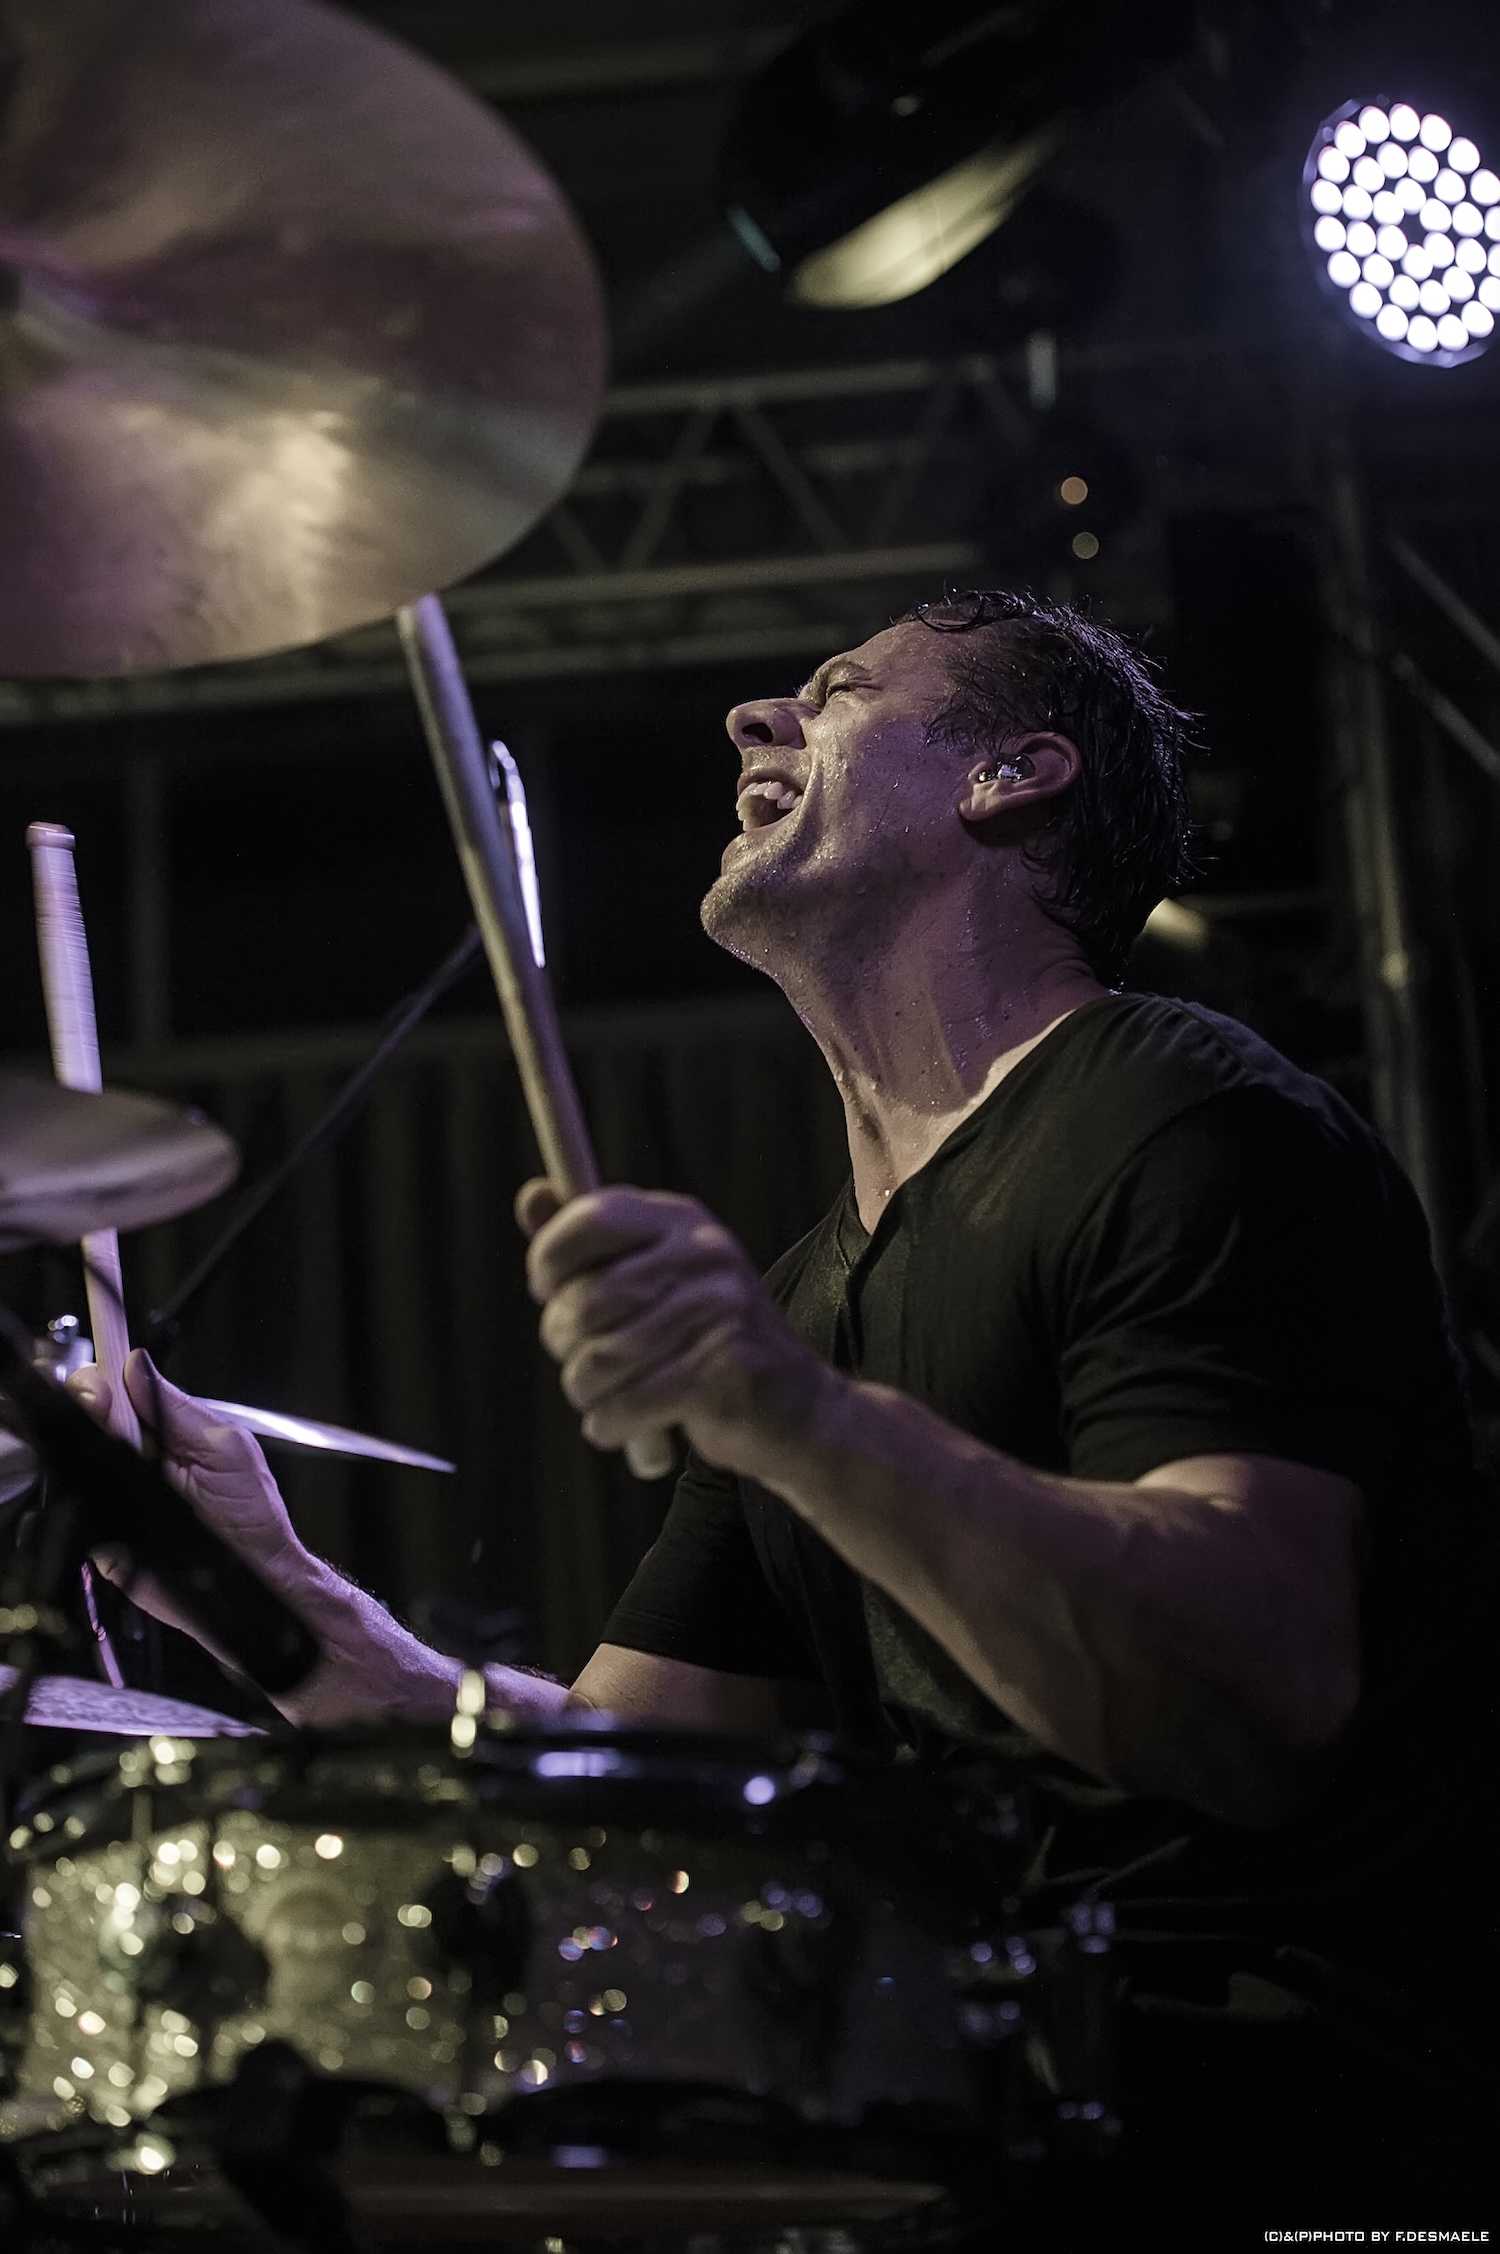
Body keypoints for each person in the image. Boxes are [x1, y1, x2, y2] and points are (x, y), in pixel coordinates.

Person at [79, 590, 1493, 2241]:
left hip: (1289, 2143)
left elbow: (1256, 1688)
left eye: (834, 693)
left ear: (1012, 777)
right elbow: (606, 1792)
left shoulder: (1185, 1114)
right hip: (981, 2131)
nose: (754, 721)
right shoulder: (817, 1291)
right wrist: (255, 1585)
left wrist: (791, 1413)